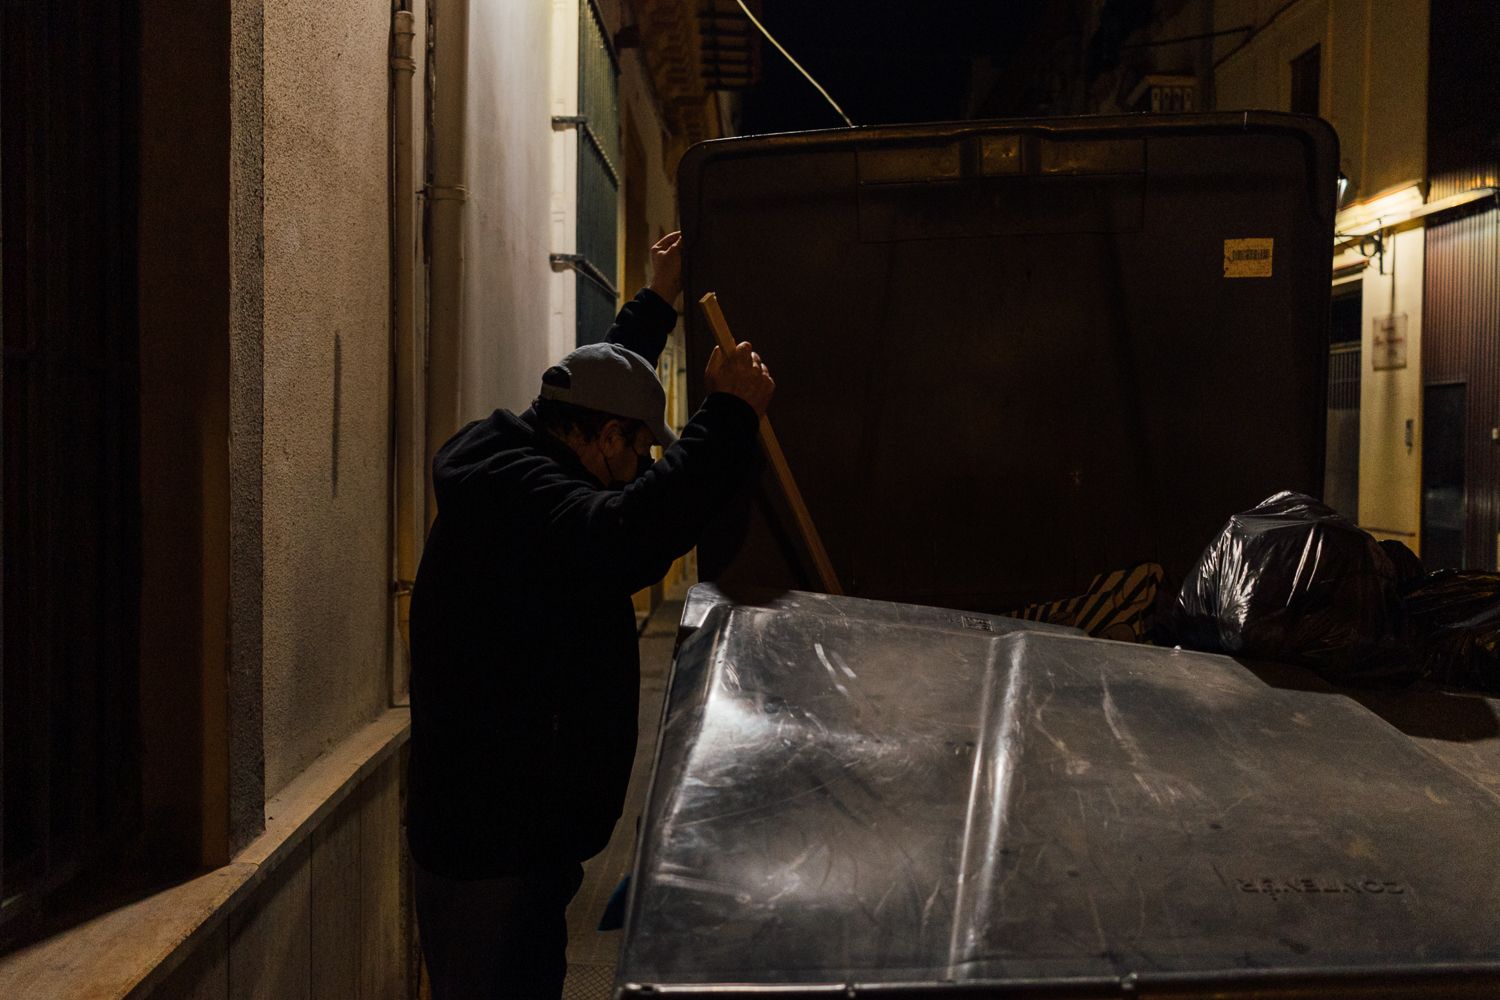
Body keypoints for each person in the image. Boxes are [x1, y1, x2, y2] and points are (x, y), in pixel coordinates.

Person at [405, 232, 774, 999]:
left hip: (519, 839)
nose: (639, 471)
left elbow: (607, 382)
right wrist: (729, 418)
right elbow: (624, 534)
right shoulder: (523, 499)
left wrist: (656, 301)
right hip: (490, 849)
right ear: (605, 440)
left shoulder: (538, 455)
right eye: (637, 454)